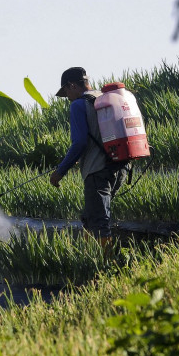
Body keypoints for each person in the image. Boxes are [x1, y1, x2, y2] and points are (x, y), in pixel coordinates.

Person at [49, 67, 130, 245]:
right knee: (90, 217)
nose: (68, 98)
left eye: (66, 92)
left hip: (97, 170)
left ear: (72, 86)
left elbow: (79, 143)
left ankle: (104, 266)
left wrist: (60, 171)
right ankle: (88, 256)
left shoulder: (79, 105)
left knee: (99, 222)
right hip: (120, 167)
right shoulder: (104, 98)